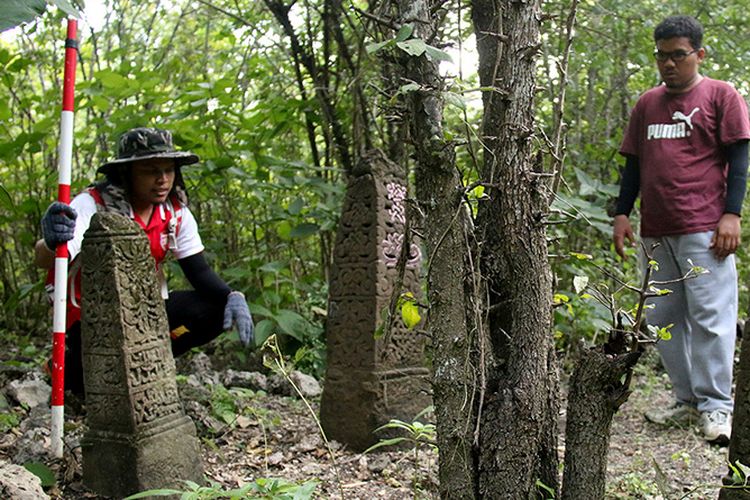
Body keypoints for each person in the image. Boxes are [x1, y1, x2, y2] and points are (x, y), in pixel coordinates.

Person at [612, 15, 750, 445]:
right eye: (661, 55)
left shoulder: (720, 96)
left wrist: (732, 215)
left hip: (705, 229)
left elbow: (740, 159)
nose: (668, 64)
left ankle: (716, 408)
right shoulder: (647, 104)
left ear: (699, 54)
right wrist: (621, 214)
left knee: (711, 319)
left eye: (678, 55)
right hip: (655, 230)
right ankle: (686, 400)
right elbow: (633, 165)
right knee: (664, 319)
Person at [35, 127, 254, 394]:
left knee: (215, 307)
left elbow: (198, 270)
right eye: (151, 171)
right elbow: (49, 259)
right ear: (126, 174)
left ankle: (150, 361)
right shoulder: (92, 206)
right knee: (86, 388)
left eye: (168, 170)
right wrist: (50, 240)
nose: (162, 180)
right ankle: (72, 367)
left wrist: (233, 296)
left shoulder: (174, 212)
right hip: (90, 317)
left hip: (143, 308)